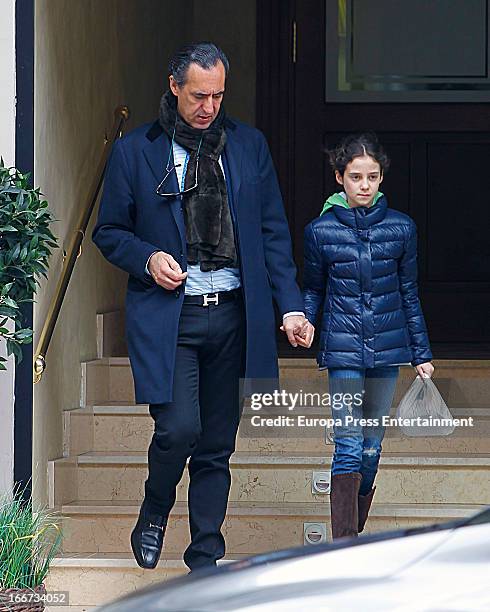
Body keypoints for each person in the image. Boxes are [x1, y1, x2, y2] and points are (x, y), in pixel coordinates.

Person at [92, 42, 314, 571]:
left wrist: (290, 307)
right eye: (198, 95)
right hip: (173, 314)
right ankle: (155, 506)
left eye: (217, 95)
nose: (208, 106)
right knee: (178, 429)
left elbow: (271, 233)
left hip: (234, 312)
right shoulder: (135, 151)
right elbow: (109, 231)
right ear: (174, 87)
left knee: (216, 443)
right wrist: (147, 259)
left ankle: (205, 561)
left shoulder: (248, 145)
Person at [302, 133, 434, 539]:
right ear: (339, 177)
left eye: (372, 176)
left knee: (371, 447)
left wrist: (420, 351)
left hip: (388, 347)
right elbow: (313, 288)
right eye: (355, 176)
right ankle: (343, 547)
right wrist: (304, 320)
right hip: (342, 350)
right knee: (347, 442)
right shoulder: (320, 231)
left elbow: (409, 292)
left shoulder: (401, 228)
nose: (364, 185)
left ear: (381, 178)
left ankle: (351, 537)